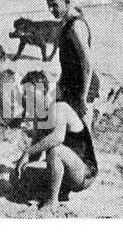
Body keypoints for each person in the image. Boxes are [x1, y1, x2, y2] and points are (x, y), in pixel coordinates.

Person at [12, 70, 97, 211]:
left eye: (30, 93)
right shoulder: (39, 115)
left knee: (55, 150)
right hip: (66, 170)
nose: (27, 98)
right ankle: (60, 190)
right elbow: (36, 150)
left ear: (42, 91)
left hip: (84, 173)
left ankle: (52, 202)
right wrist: (22, 166)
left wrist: (27, 153)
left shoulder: (59, 107)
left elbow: (58, 137)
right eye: (25, 94)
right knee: (19, 177)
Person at [44, 0, 93, 121]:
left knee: (81, 129)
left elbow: (87, 64)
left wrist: (83, 97)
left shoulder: (76, 26)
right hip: (69, 83)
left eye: (54, 5)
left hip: (82, 85)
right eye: (49, 5)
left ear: (67, 2)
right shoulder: (67, 22)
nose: (50, 9)